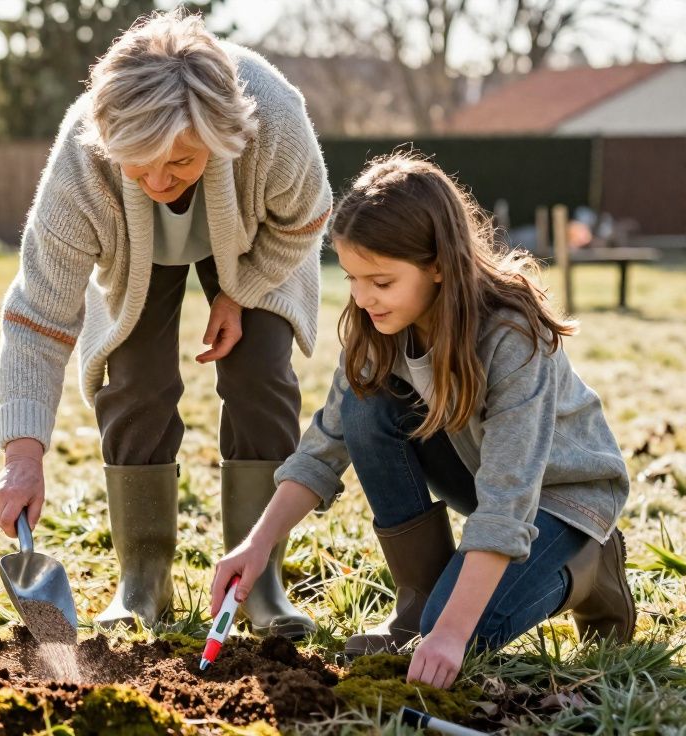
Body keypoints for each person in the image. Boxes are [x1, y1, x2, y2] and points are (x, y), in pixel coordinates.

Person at [210, 153, 635, 688]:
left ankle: (593, 571)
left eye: (382, 281)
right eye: (353, 279)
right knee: (364, 407)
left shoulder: (513, 339)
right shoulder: (379, 331)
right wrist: (257, 545)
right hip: (475, 470)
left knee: (457, 633)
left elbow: (510, 496)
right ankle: (420, 607)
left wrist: (452, 633)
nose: (363, 299)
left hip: (562, 496)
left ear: (438, 265)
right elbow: (323, 448)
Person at [0, 9, 332, 634]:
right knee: (136, 386)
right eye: (138, 167)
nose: (157, 183)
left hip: (255, 247)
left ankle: (259, 584)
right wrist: (23, 456)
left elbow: (305, 219)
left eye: (178, 163)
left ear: (220, 136)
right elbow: (38, 315)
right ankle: (144, 579)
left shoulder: (271, 117)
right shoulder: (83, 161)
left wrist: (242, 291)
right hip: (134, 261)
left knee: (261, 378)